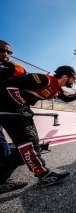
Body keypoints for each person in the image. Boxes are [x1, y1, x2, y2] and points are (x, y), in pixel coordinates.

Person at [0, 65, 76, 192]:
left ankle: (1, 179)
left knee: (29, 145)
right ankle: (44, 175)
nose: (74, 81)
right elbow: (7, 85)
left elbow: (67, 99)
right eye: (73, 78)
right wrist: (20, 105)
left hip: (20, 112)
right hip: (11, 111)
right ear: (65, 76)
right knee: (28, 143)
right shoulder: (43, 79)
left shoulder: (57, 89)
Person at [0, 40, 28, 192]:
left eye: (9, 52)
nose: (5, 54)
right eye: (1, 50)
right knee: (2, 145)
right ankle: (2, 180)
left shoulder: (12, 68)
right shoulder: (9, 68)